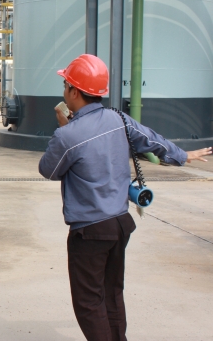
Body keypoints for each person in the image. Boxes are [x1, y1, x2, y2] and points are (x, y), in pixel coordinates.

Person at [38, 54, 212, 341]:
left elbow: (49, 170)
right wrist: (182, 155)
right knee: (112, 294)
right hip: (120, 223)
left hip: (90, 231)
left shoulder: (68, 135)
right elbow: (152, 139)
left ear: (74, 91)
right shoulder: (119, 119)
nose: (64, 90)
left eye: (65, 84)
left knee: (88, 303)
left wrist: (65, 129)